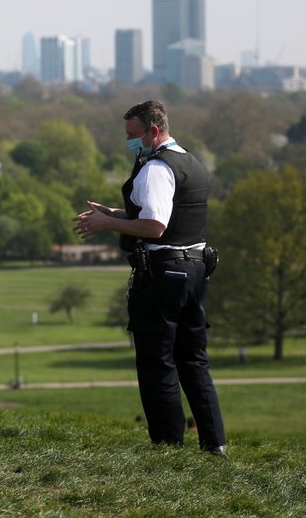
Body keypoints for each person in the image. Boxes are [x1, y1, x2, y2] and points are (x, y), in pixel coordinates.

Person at [73, 100, 226, 455]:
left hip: (163, 273)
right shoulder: (190, 160)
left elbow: (155, 226)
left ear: (153, 131)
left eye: (133, 135)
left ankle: (168, 447)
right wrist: (112, 212)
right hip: (196, 268)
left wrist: (108, 224)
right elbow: (168, 216)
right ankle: (214, 443)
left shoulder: (156, 167)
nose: (129, 142)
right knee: (194, 360)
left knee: (157, 362)